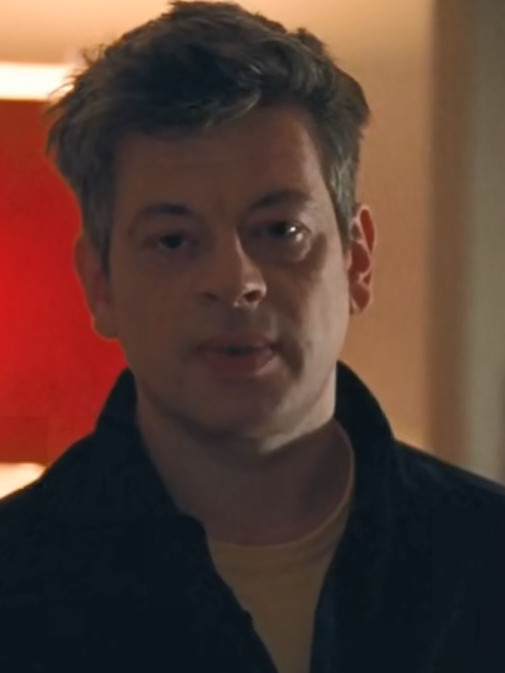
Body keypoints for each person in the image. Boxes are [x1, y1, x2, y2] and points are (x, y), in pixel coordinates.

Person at [0, 2, 504, 671]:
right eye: (173, 240)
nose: (234, 282)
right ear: (101, 284)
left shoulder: (486, 560)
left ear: (356, 260)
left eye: (279, 231)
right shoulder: (16, 586)